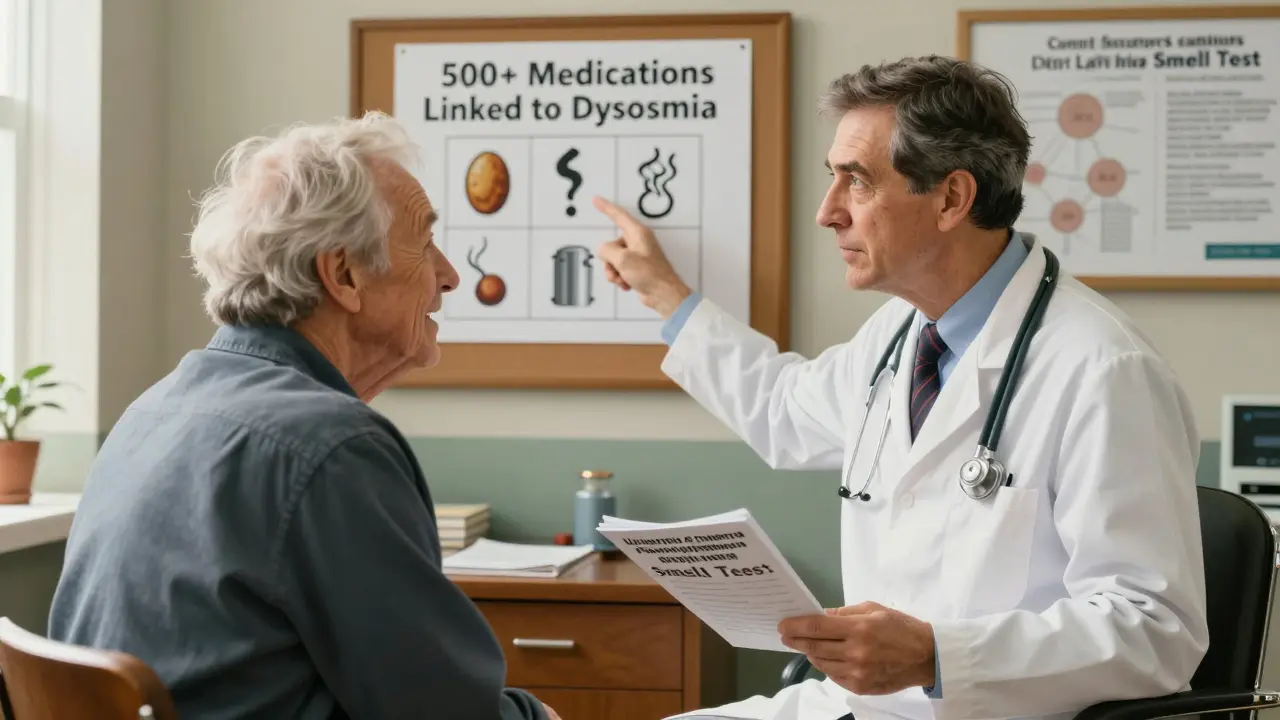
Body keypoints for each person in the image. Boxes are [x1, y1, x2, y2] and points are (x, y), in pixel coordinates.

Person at [593, 55, 1208, 720]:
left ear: (950, 199)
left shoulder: (1103, 370)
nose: (828, 213)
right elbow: (784, 411)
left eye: (855, 183)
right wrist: (664, 294)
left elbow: (1156, 631)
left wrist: (936, 654)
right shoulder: (901, 334)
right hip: (857, 707)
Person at [47, 112, 560, 720]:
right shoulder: (330, 446)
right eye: (425, 242)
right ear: (343, 274)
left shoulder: (154, 410)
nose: (450, 276)